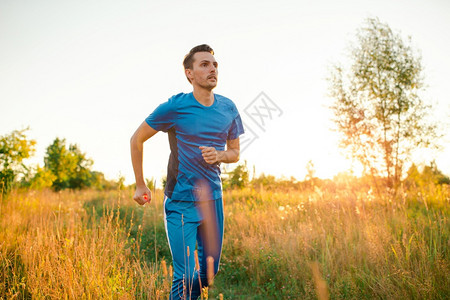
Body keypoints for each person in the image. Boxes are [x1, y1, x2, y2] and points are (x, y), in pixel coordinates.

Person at [130, 44, 244, 299]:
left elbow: (235, 153)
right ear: (189, 73)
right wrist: (140, 184)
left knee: (208, 274)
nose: (212, 69)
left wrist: (221, 155)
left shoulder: (228, 108)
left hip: (213, 200)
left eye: (214, 64)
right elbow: (136, 139)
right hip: (181, 201)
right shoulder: (175, 107)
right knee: (184, 277)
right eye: (204, 64)